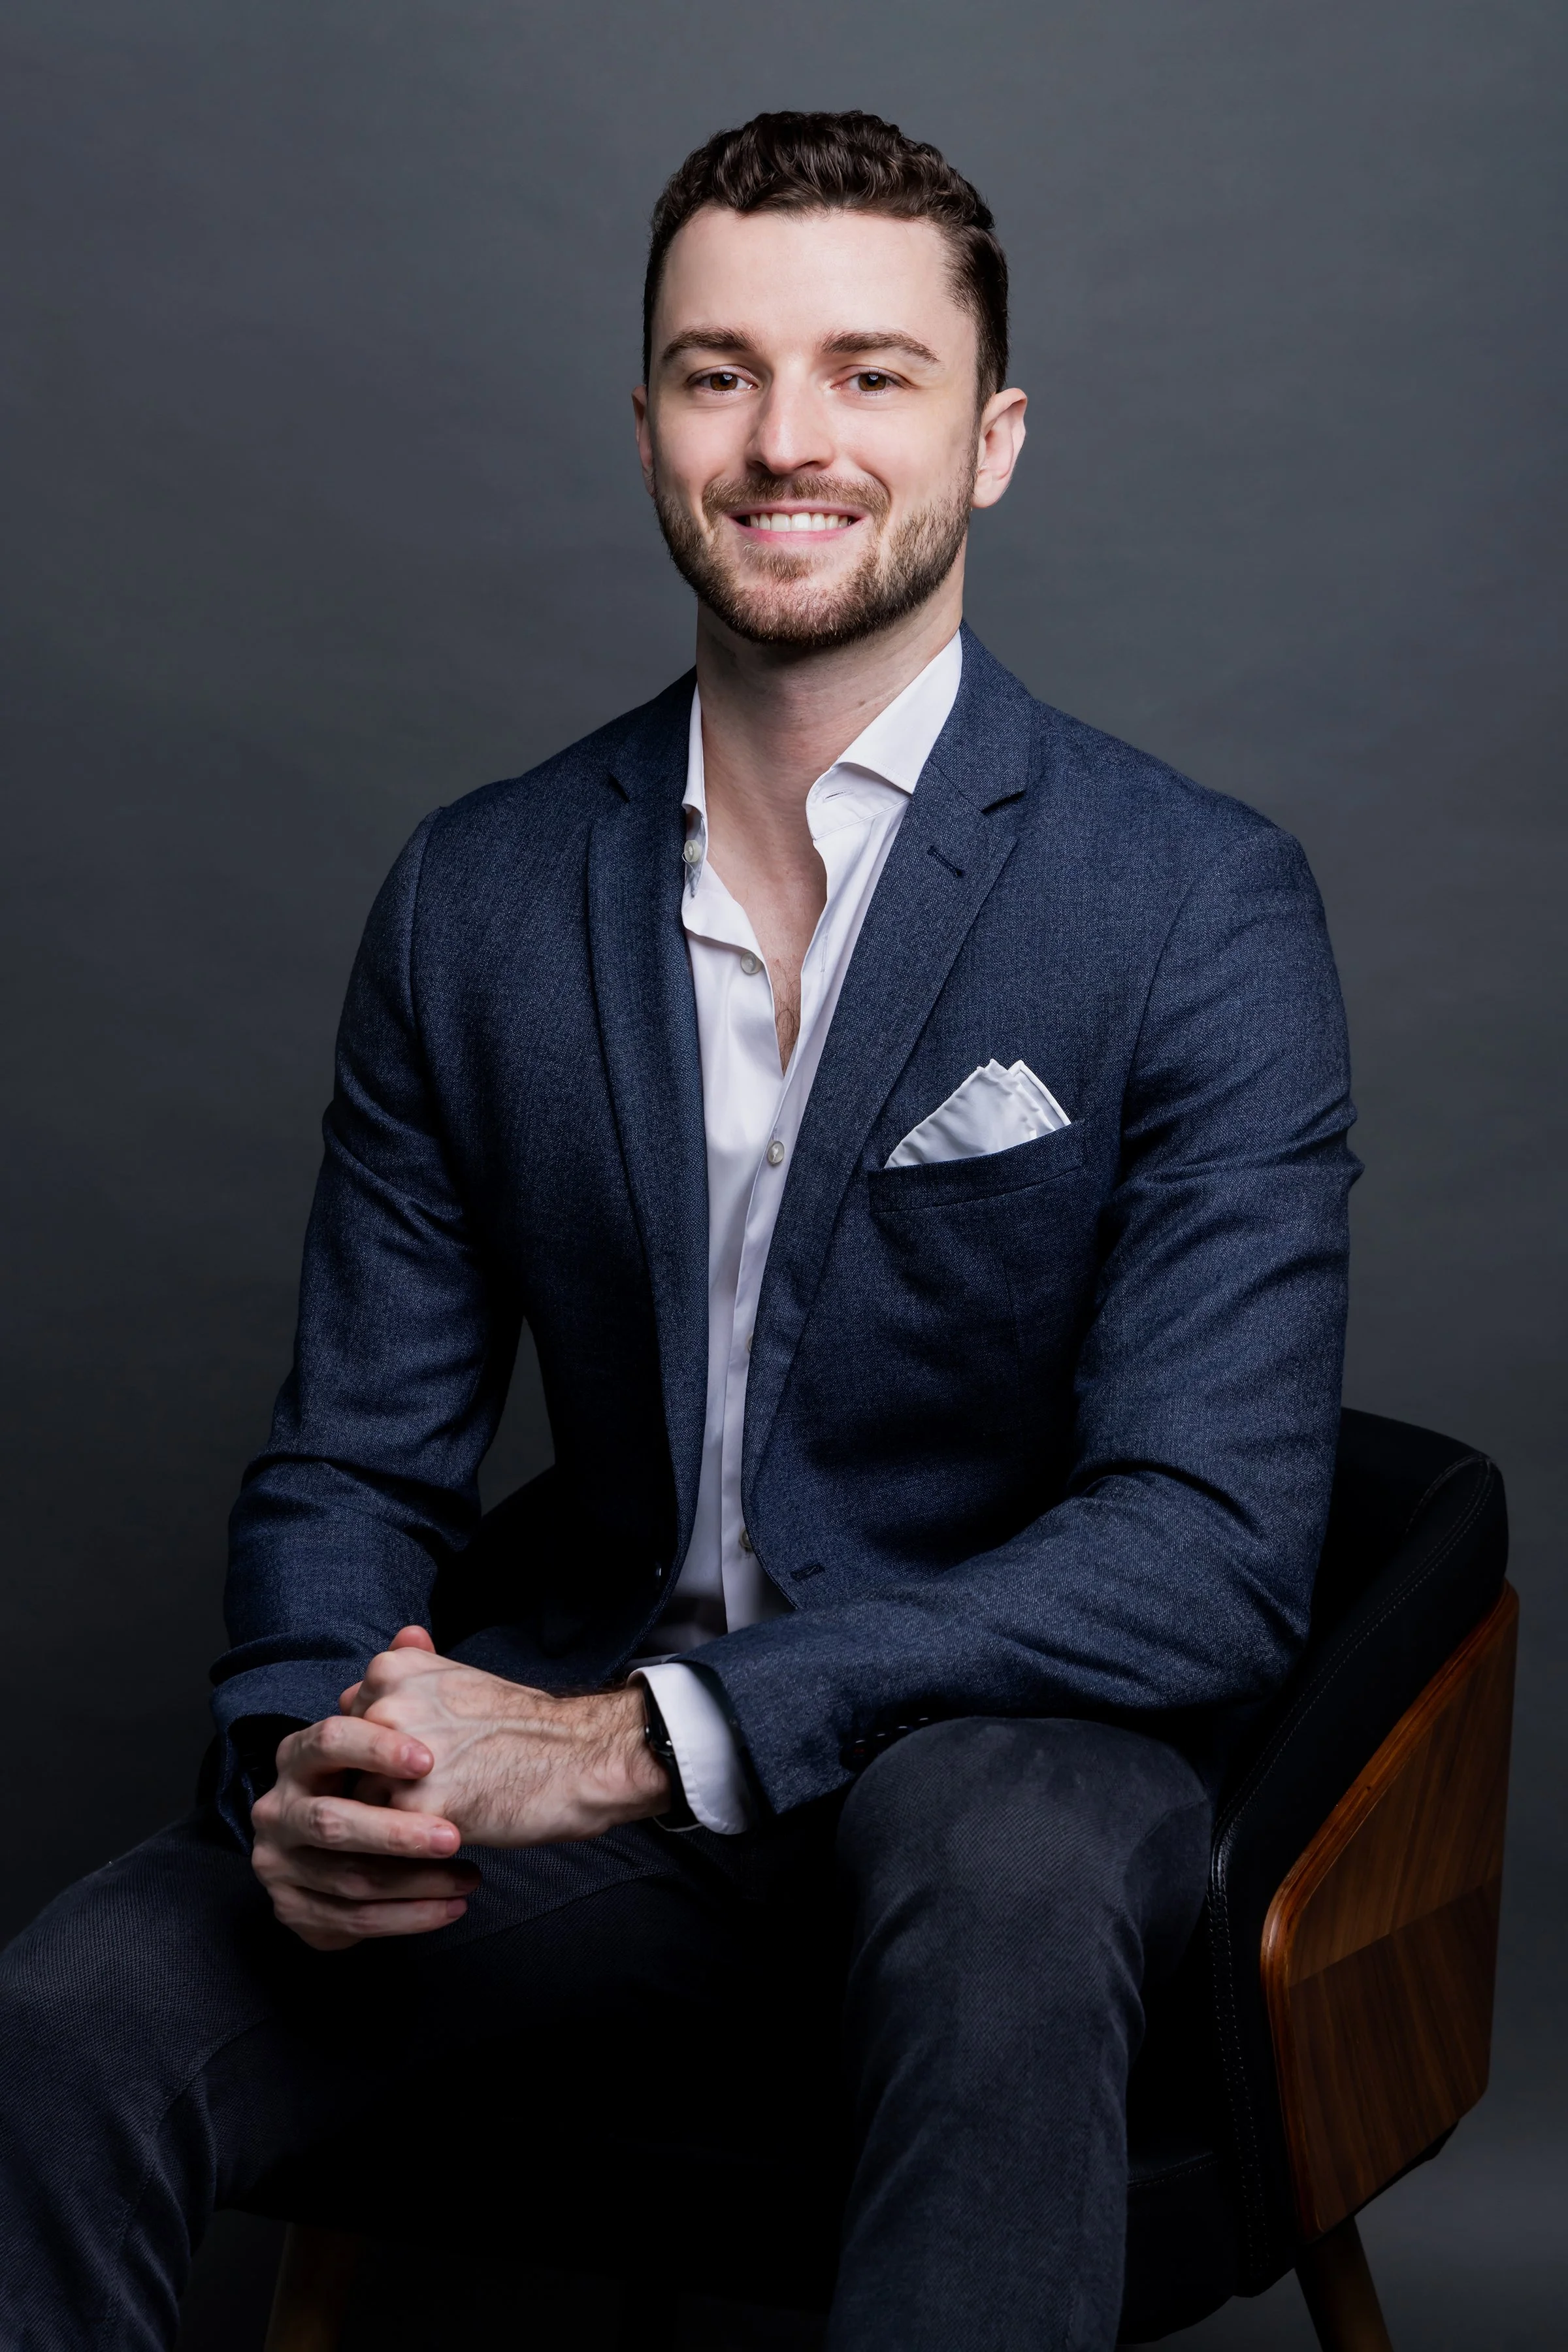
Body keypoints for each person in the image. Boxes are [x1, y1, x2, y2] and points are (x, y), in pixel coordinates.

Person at [0, 110, 1357, 2350]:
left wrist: (643, 1731)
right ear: (647, 425)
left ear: (994, 437)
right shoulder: (478, 894)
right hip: (575, 1786)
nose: (786, 439)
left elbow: (1208, 1542)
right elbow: (354, 1461)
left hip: (995, 1770)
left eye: (871, 373)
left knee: (998, 1853)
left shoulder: (1194, 901)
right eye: (719, 371)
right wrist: (296, 1755)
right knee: (70, 2013)